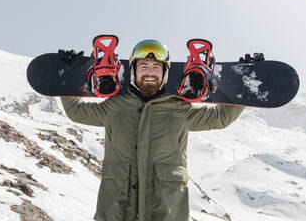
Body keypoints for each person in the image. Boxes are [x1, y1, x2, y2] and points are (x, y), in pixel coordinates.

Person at [60, 39, 244, 221]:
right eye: (144, 66)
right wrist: (69, 75)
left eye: (156, 67)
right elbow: (76, 111)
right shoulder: (115, 106)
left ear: (165, 73)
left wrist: (242, 82)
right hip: (116, 212)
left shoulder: (178, 109)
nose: (150, 72)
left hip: (167, 212)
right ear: (133, 71)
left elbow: (221, 117)